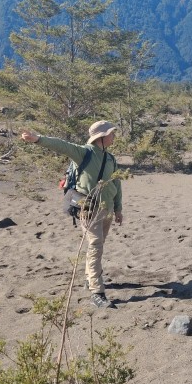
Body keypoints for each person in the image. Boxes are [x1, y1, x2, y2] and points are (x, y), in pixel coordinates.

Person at [20, 121, 123, 309]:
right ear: (101, 137)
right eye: (111, 133)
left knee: (97, 245)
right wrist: (37, 139)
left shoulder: (110, 158)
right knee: (95, 245)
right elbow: (61, 145)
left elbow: (116, 183)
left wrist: (118, 209)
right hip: (89, 208)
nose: (113, 136)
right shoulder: (84, 152)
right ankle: (97, 292)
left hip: (107, 209)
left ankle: (89, 278)